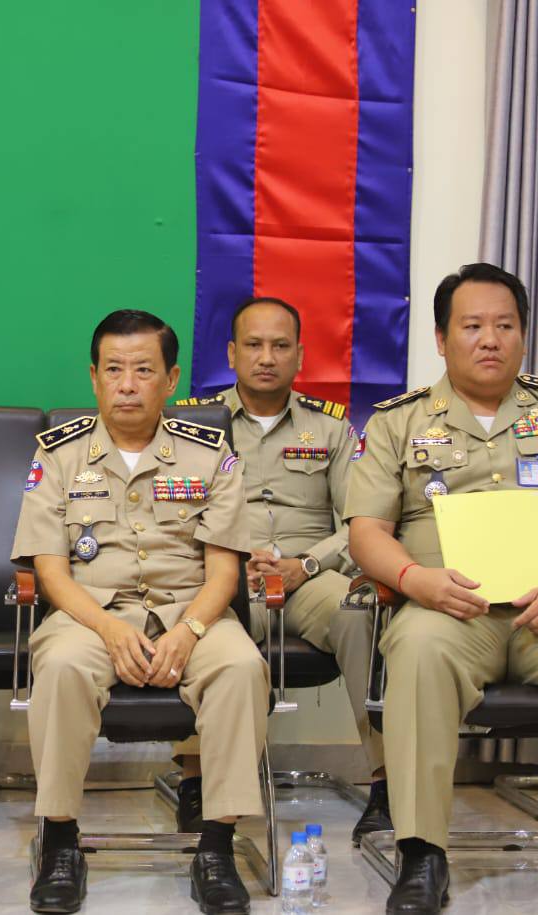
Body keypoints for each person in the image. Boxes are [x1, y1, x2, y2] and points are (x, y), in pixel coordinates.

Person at [345, 263, 538, 915]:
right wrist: (415, 580)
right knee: (418, 654)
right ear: (441, 339)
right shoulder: (399, 421)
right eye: (472, 326)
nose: (490, 339)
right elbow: (367, 532)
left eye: (505, 325)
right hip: (446, 610)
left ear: (523, 335)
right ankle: (422, 854)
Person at [12, 309, 270, 915]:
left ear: (171, 379)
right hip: (89, 614)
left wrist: (190, 631)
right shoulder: (58, 457)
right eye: (114, 370)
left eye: (143, 371)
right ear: (94, 377)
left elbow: (224, 574)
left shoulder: (211, 455)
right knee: (62, 667)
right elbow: (51, 573)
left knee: (240, 667)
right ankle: (60, 843)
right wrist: (108, 628)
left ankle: (216, 847)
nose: (127, 385)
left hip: (193, 611)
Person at [171, 296, 389, 844]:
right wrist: (226, 563)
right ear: (231, 353)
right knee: (195, 616)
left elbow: (360, 522)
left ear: (300, 356)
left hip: (309, 577)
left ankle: (385, 781)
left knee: (361, 609)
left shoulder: (331, 428)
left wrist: (306, 564)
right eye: (253, 345)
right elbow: (172, 518)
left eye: (280, 346)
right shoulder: (194, 424)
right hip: (227, 576)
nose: (266, 357)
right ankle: (198, 777)